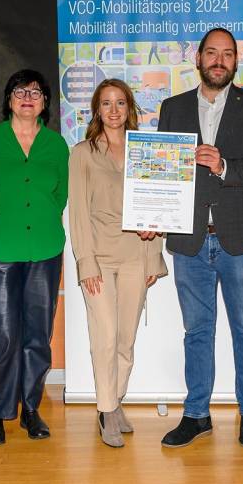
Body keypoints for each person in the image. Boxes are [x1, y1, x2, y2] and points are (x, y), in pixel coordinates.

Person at [157, 28, 243, 448]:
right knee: (197, 331)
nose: (219, 60)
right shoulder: (171, 108)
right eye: (211, 52)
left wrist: (226, 166)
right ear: (197, 58)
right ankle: (196, 415)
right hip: (190, 239)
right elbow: (161, 176)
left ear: (235, 62)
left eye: (227, 54)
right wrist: (152, 214)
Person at [69, 79, 167, 447]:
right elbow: (77, 213)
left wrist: (153, 256)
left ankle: (116, 401)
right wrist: (85, 263)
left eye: (120, 103)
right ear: (97, 109)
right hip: (99, 258)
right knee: (105, 337)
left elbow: (158, 206)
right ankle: (106, 410)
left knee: (126, 339)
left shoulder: (147, 152)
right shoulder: (82, 153)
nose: (113, 111)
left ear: (130, 109)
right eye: (106, 104)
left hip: (135, 259)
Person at [0, 70, 69, 444]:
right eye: (19, 91)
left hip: (44, 249)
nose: (27, 97)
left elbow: (58, 195)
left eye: (35, 91)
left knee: (38, 335)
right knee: (2, 334)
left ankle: (30, 408)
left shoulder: (56, 145)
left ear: (45, 102)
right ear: (9, 99)